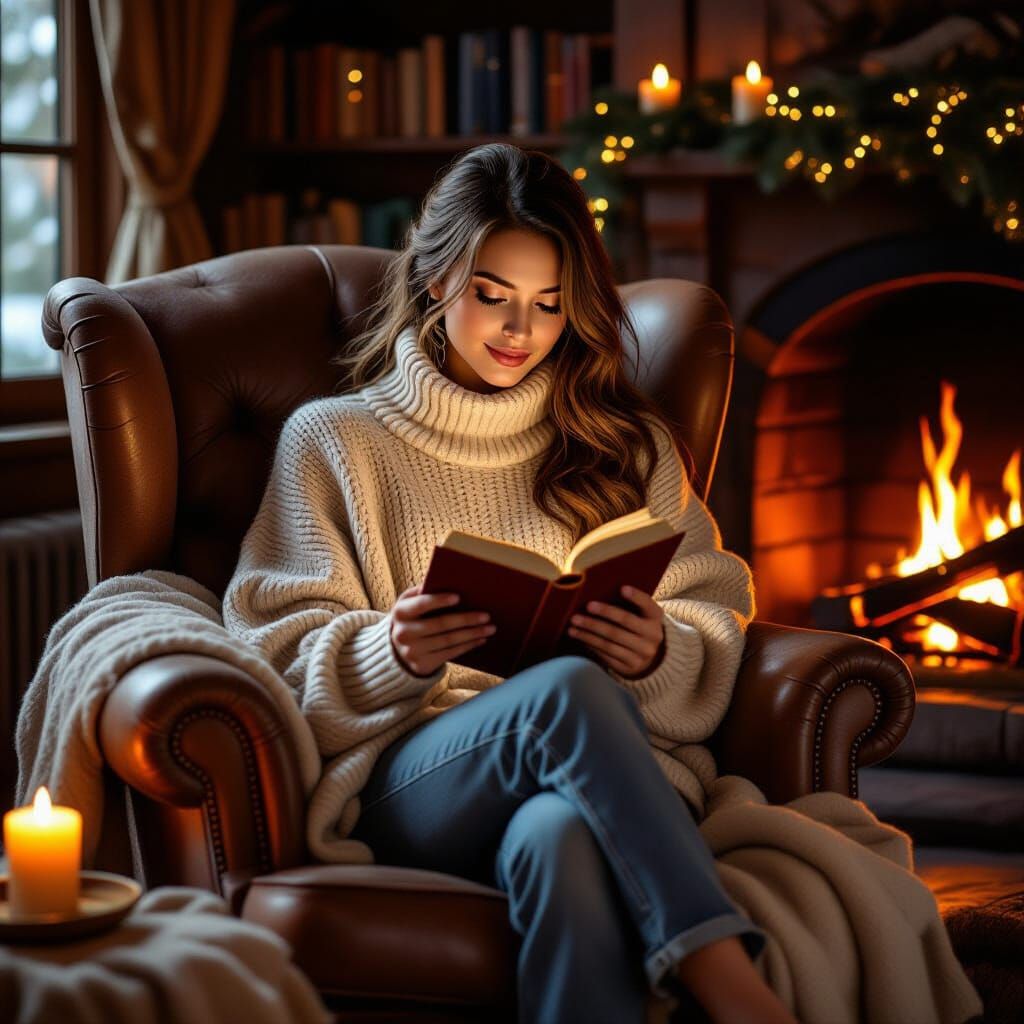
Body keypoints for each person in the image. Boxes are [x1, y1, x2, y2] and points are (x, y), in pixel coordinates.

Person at [222, 142, 797, 1024]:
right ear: (434, 280)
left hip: (605, 782)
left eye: (549, 305)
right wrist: (390, 652)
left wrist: (661, 650)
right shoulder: (335, 442)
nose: (519, 332)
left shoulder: (626, 443)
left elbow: (711, 600)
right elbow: (270, 642)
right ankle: (726, 973)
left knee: (560, 837)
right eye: (492, 297)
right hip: (416, 782)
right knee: (560, 689)